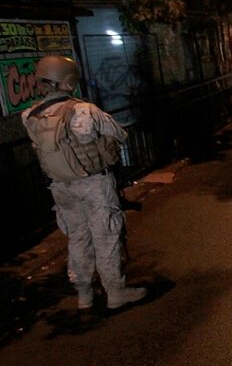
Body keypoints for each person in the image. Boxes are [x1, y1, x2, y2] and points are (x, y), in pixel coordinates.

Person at [21, 55, 147, 311]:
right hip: (93, 184)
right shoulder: (84, 110)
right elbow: (120, 134)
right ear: (69, 81)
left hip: (60, 186)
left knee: (77, 237)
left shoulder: (30, 115)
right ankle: (115, 292)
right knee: (106, 235)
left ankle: (84, 295)